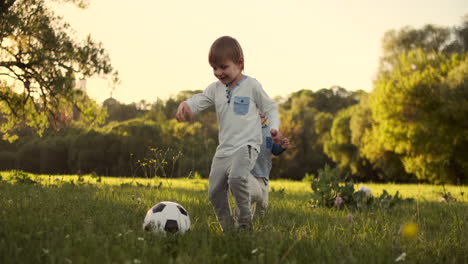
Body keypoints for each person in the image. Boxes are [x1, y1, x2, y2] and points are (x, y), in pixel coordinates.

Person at [175, 36, 282, 232]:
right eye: (214, 68)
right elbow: (200, 99)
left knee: (237, 179)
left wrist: (274, 128)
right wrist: (186, 105)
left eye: (223, 67)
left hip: (247, 145)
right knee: (214, 192)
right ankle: (229, 231)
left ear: (240, 63)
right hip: (224, 149)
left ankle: (244, 223)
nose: (218, 73)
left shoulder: (252, 86)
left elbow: (270, 107)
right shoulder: (216, 89)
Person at [248, 113, 290, 218]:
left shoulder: (271, 131)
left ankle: (258, 222)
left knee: (263, 204)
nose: (261, 114)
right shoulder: (248, 129)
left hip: (264, 173)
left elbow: (274, 150)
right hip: (250, 172)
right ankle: (243, 216)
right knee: (252, 196)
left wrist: (282, 147)